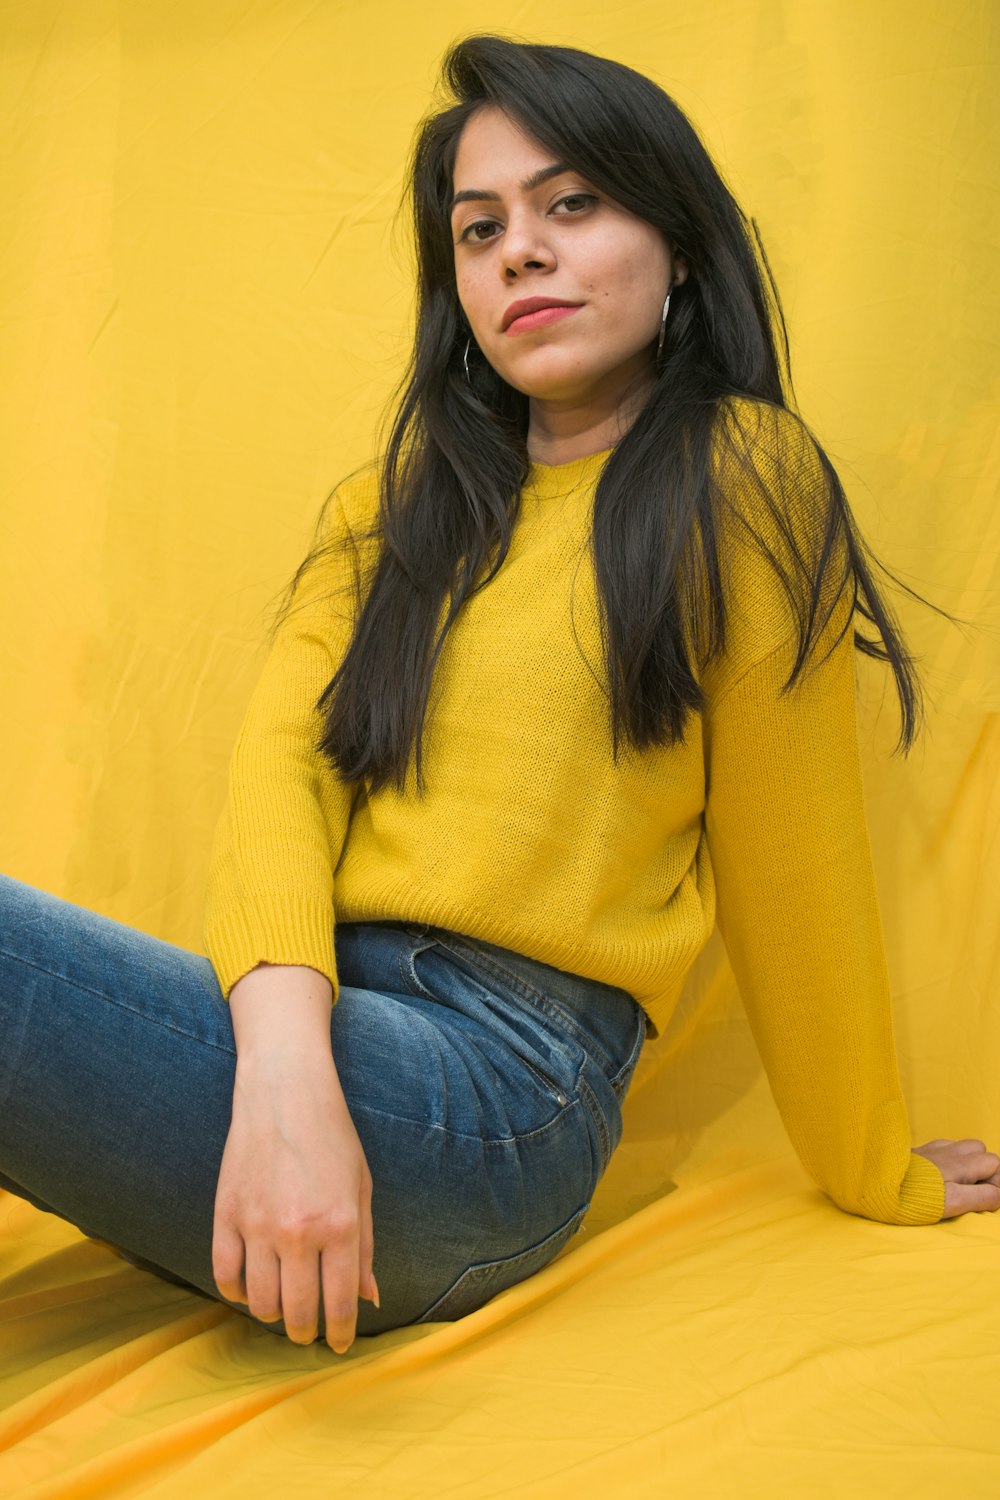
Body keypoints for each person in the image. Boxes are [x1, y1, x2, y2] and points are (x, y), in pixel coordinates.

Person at [2, 33, 997, 1361]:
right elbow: (279, 779)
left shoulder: (741, 476)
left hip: (493, 1100)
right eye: (479, 230)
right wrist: (287, 1073)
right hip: (308, 1042)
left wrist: (881, 1167)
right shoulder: (389, 515)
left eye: (571, 204)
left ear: (682, 243)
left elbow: (796, 856)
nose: (518, 251)